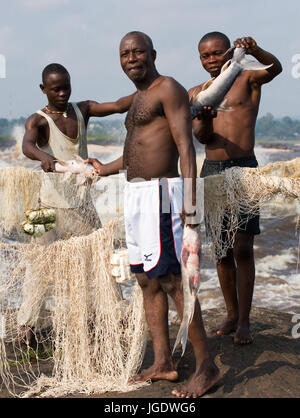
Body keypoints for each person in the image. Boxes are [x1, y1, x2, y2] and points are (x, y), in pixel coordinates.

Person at [88, 31, 220, 398]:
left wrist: (191, 203)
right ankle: (164, 362)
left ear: (153, 53)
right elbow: (138, 150)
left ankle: (207, 366)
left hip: (163, 195)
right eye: (125, 53)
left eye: (138, 51)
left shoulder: (168, 89)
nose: (131, 58)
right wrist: (104, 169)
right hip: (137, 195)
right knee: (146, 281)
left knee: (174, 282)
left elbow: (184, 147)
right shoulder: (137, 98)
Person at [189, 32, 282, 344]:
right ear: (200, 59)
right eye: (206, 56)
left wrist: (256, 49)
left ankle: (245, 320)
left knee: (243, 246)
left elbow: (277, 68)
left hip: (244, 169)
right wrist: (203, 121)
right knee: (221, 249)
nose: (212, 59)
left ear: (229, 52)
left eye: (217, 53)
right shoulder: (198, 93)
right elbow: (200, 138)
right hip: (212, 171)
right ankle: (231, 313)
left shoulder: (247, 78)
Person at [22, 63, 135, 237]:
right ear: (43, 89)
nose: (62, 94)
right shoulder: (38, 120)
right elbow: (27, 146)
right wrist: (42, 155)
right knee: (56, 259)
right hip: (53, 203)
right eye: (56, 89)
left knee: (97, 248)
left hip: (82, 201)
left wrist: (148, 88)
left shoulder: (83, 109)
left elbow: (118, 106)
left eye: (66, 88)